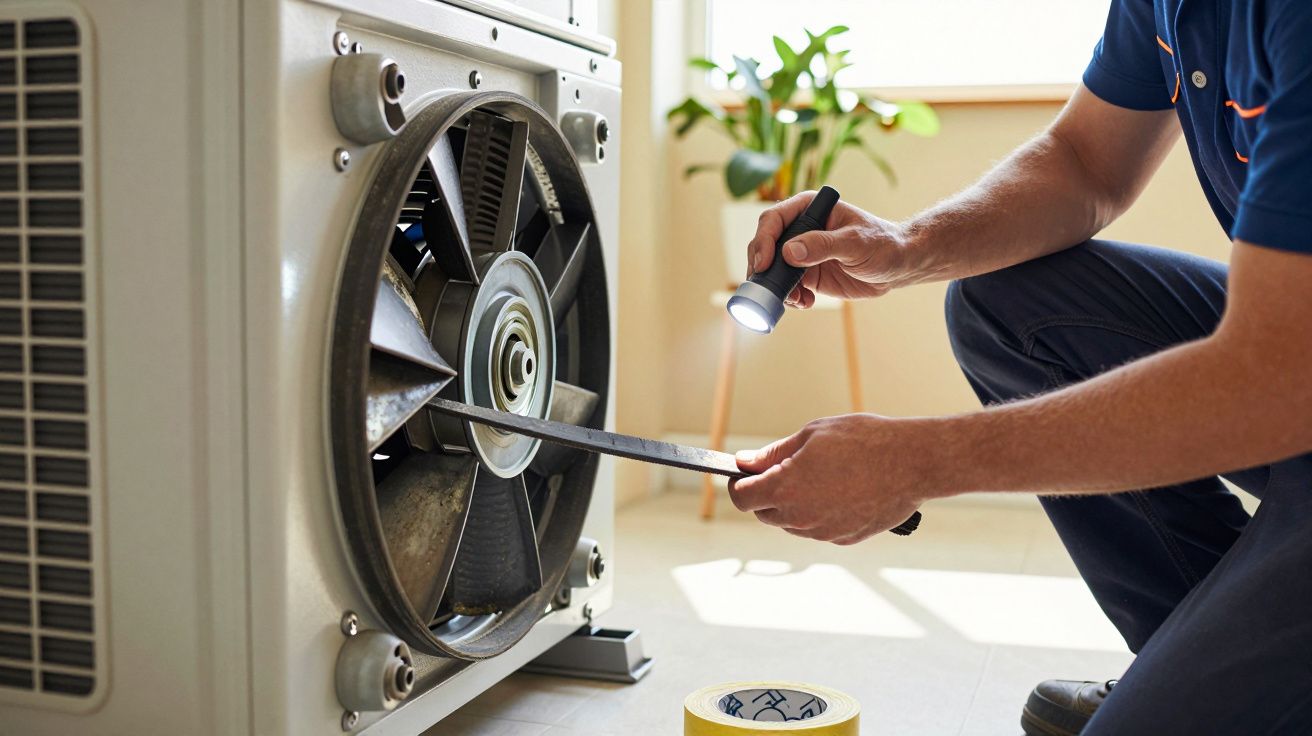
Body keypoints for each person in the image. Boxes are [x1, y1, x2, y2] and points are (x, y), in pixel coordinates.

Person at [726, 1, 1312, 734]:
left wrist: (919, 460)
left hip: (1289, 373)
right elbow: (1085, 163)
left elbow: (1269, 384)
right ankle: (1195, 658)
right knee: (1007, 306)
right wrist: (906, 246)